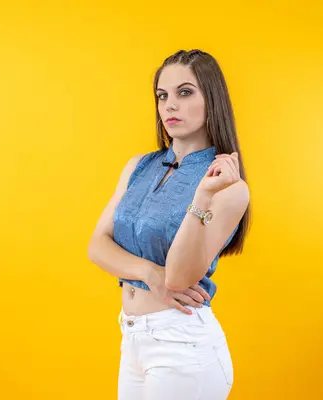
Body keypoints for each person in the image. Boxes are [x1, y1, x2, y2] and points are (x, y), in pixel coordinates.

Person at [88, 49, 251, 399]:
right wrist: (149, 273)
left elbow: (178, 277)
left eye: (185, 92)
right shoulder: (139, 166)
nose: (169, 105)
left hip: (182, 345)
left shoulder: (229, 188)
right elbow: (97, 246)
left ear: (213, 100)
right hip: (132, 339)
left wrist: (202, 198)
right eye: (162, 96)